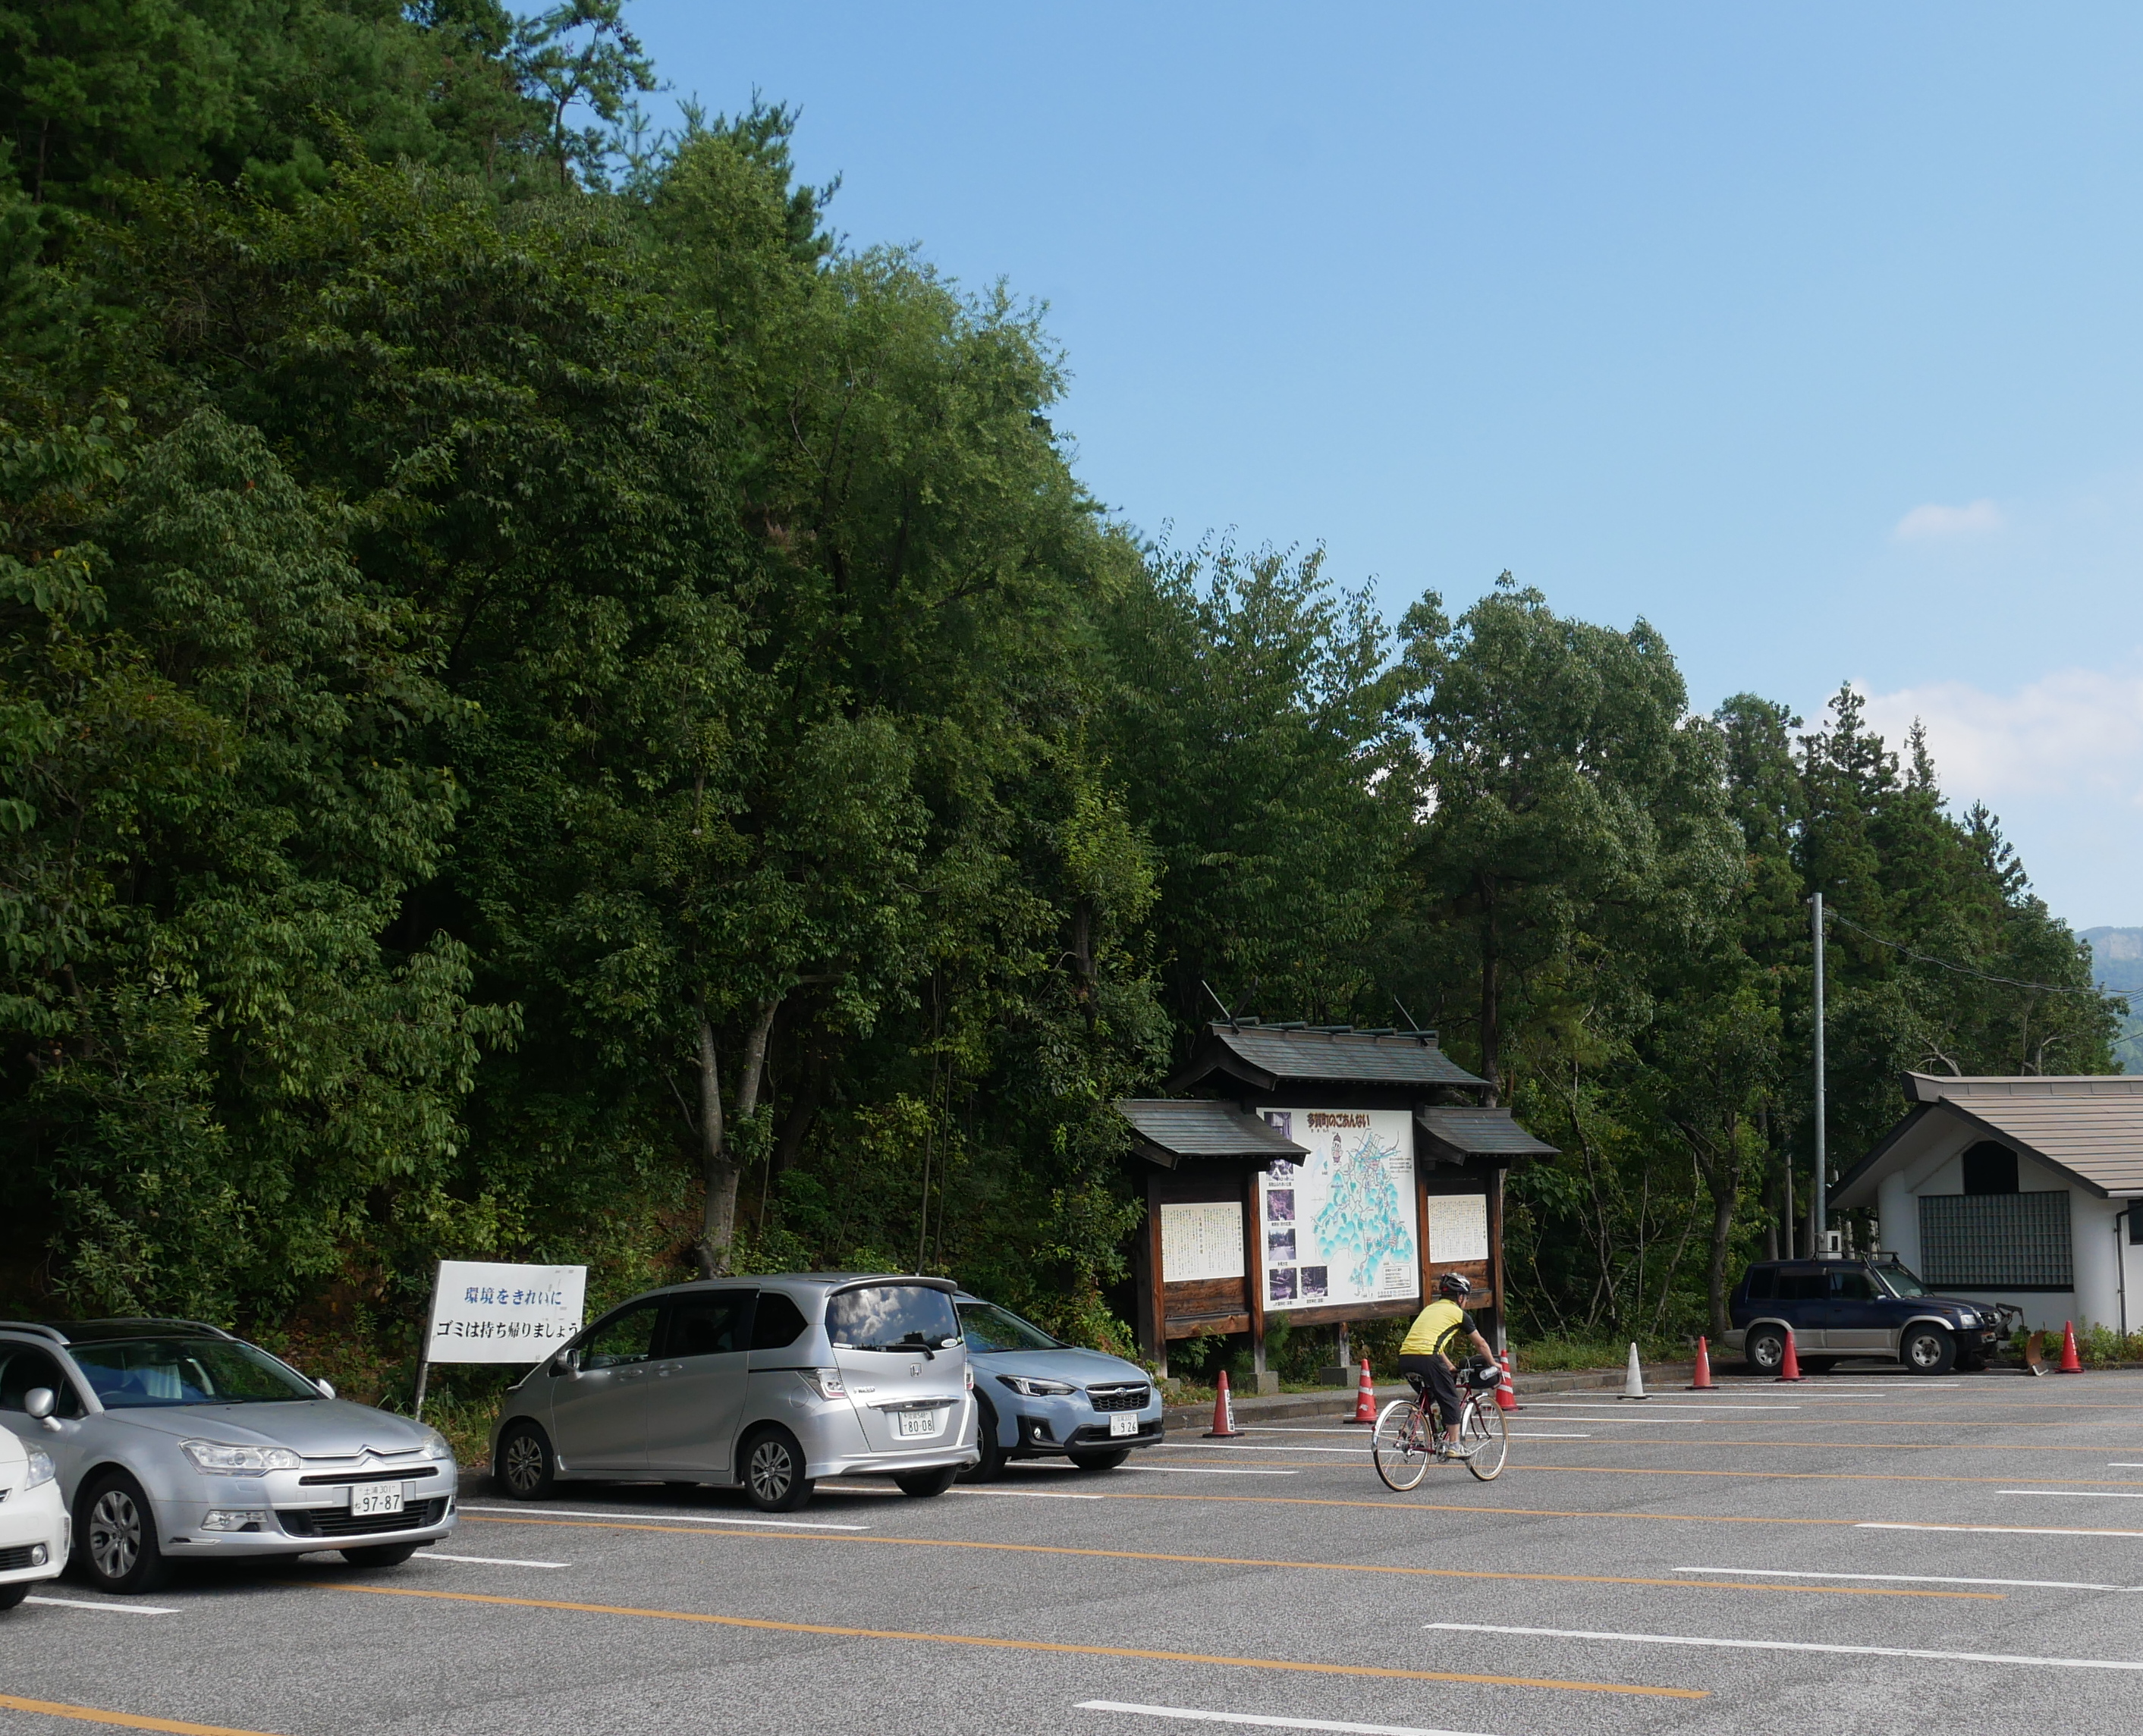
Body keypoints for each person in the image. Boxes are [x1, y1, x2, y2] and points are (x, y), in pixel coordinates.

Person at [1395, 1272, 1498, 1458]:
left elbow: (1432, 1341)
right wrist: (1493, 1363)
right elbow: (1480, 1343)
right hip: (1427, 1358)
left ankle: (1407, 1431)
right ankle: (1455, 1445)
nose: (1465, 1301)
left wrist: (1449, 1365)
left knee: (1427, 1396)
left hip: (1406, 1357)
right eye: (1465, 1298)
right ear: (1460, 1297)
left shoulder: (1430, 1309)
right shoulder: (1459, 1314)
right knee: (1451, 1397)